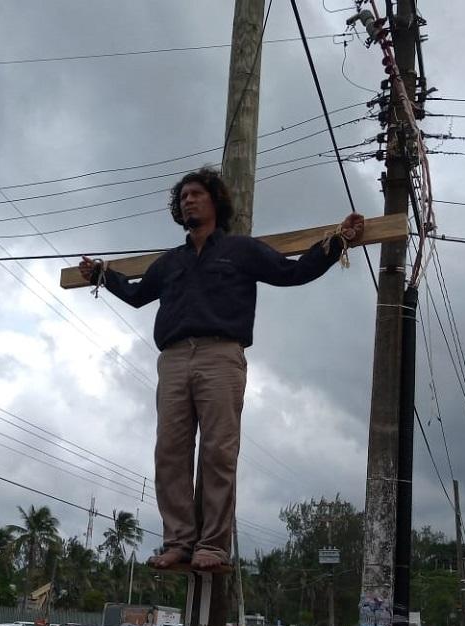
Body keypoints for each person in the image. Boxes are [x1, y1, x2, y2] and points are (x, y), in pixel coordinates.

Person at [79, 167, 364, 572]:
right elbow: (138, 294)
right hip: (174, 359)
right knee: (170, 452)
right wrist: (103, 276)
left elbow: (292, 272)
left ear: (215, 201)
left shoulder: (241, 250)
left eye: (196, 194)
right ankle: (178, 541)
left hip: (221, 355)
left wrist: (338, 242)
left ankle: (212, 544)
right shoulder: (170, 262)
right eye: (183, 198)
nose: (188, 201)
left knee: (218, 451)